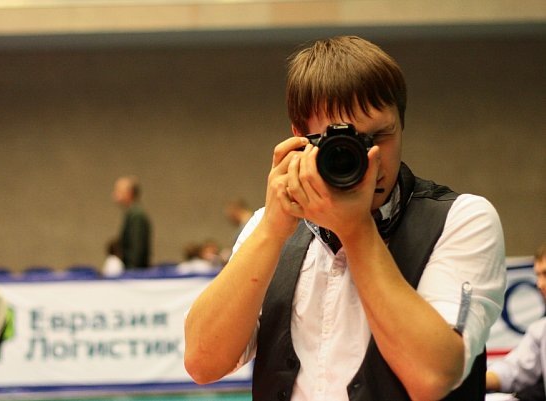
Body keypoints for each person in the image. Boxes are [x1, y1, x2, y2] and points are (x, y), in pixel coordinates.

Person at [184, 35, 506, 400]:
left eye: (380, 135)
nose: (369, 158)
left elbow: (432, 377)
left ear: (402, 123)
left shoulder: (461, 219)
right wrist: (272, 230)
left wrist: (356, 230)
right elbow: (202, 363)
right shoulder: (269, 226)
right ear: (300, 137)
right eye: (343, 145)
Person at [486, 243, 546, 400]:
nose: (540, 284)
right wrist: (473, 382)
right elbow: (515, 370)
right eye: (538, 275)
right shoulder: (541, 330)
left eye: (545, 274)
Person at [112, 175, 152, 269]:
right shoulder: (132, 214)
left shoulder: (136, 216)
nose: (114, 195)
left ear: (129, 193)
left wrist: (131, 272)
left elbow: (136, 250)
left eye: (118, 191)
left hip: (135, 273)